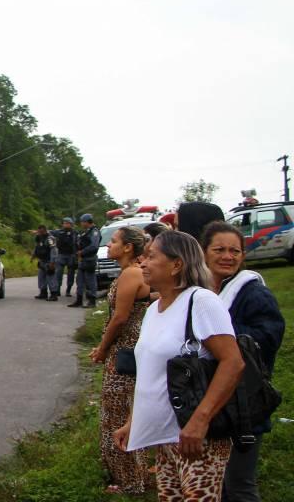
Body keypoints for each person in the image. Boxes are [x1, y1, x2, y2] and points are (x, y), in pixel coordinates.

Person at [113, 231, 245, 502]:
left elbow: (233, 363)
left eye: (151, 256)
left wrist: (199, 421)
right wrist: (132, 421)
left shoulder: (201, 302)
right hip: (165, 438)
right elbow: (150, 373)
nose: (142, 263)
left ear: (176, 265)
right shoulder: (154, 310)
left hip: (196, 438)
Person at [200, 221, 285, 502]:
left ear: (243, 256)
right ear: (204, 252)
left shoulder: (253, 293)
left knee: (239, 485)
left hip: (243, 402)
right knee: (216, 483)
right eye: (219, 250)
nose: (228, 256)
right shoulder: (201, 291)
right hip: (209, 397)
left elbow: (268, 337)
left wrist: (220, 334)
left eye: (234, 251)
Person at [89, 226, 151, 495]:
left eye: (113, 241)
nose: (108, 245)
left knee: (116, 413)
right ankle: (135, 474)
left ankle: (129, 481)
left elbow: (120, 318)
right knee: (127, 409)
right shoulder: (135, 272)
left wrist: (103, 348)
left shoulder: (130, 273)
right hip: (130, 347)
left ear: (127, 247)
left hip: (125, 350)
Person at [68, 213, 100, 308]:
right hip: (83, 259)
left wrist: (82, 251)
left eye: (82, 222)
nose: (81, 224)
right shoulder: (86, 232)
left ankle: (92, 300)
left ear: (87, 222)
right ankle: (79, 300)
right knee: (79, 280)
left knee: (90, 281)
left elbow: (94, 246)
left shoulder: (94, 232)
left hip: (90, 259)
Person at [30, 225, 59, 301]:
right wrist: (33, 256)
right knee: (41, 277)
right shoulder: (39, 237)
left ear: (45, 231)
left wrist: (52, 262)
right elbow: (37, 247)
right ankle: (43, 293)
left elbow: (53, 250)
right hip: (42, 260)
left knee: (51, 277)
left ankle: (54, 294)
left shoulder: (50, 238)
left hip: (49, 261)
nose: (40, 233)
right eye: (39, 231)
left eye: (41, 231)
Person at [52, 217, 78, 297]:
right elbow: (49, 232)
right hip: (61, 254)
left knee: (71, 274)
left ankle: (68, 290)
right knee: (58, 273)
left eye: (67, 223)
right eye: (64, 223)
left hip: (71, 255)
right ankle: (57, 290)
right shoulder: (59, 232)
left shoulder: (75, 233)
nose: (66, 225)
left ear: (71, 224)